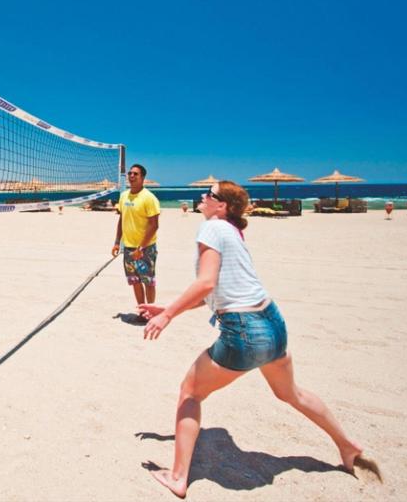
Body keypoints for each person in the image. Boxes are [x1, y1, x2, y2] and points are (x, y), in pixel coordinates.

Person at [139, 181, 378, 497]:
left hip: (243, 329)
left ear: (221, 206)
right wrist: (170, 305)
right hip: (272, 320)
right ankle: (347, 446)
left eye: (208, 194)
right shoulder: (233, 233)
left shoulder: (212, 228)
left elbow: (207, 283)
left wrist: (167, 316)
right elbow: (222, 287)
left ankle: (178, 477)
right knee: (292, 393)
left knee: (190, 392)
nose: (202, 197)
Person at [111, 164, 161, 315]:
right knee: (135, 281)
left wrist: (141, 247)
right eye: (130, 173)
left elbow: (154, 225)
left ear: (142, 178)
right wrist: (116, 242)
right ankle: (142, 310)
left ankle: (150, 313)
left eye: (135, 174)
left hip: (146, 248)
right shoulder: (124, 196)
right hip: (128, 247)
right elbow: (121, 220)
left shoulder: (149, 198)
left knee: (148, 281)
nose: (131, 176)